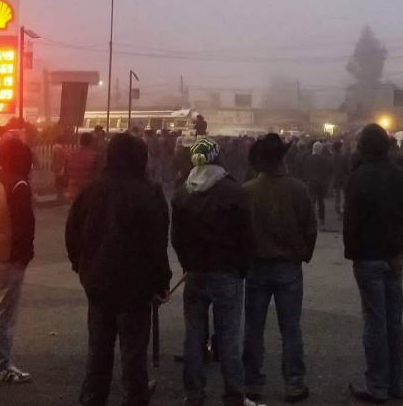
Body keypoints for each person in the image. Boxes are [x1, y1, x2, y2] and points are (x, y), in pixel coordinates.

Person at [66, 132, 171, 406]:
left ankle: (92, 399)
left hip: (98, 284)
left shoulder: (91, 191)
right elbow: (156, 245)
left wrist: (82, 267)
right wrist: (161, 282)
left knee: (98, 353)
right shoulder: (148, 193)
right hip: (135, 289)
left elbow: (72, 234)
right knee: (134, 355)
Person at [170, 136, 259, 406]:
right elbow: (247, 236)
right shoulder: (233, 191)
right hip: (227, 273)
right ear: (218, 158)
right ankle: (234, 394)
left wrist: (188, 263)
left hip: (196, 273)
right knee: (229, 336)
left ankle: (194, 393)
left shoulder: (183, 191)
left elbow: (177, 237)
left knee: (194, 336)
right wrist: (242, 267)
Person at [343, 124, 403, 404]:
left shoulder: (357, 178)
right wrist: (400, 246)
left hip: (368, 258)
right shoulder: (399, 177)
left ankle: (377, 386)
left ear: (363, 147)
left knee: (374, 322)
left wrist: (353, 252)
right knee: (394, 322)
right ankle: (397, 383)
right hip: (394, 258)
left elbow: (350, 223)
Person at [241, 134, 317, 403]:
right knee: (291, 329)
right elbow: (310, 229)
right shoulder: (298, 189)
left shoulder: (248, 191)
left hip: (256, 267)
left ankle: (252, 383)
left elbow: (239, 233)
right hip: (288, 267)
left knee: (253, 328)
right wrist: (302, 255)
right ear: (282, 158)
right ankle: (294, 384)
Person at [0, 136, 36, 384]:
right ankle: (1, 366)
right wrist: (24, 256)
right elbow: (24, 225)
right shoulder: (19, 184)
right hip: (9, 257)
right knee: (3, 314)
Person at [303, 140, 333, 229]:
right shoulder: (324, 159)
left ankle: (311, 219)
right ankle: (321, 219)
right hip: (320, 183)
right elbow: (327, 172)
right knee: (321, 202)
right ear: (320, 149)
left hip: (311, 182)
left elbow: (305, 170)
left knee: (312, 201)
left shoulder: (308, 158)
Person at [332, 141, 352, 216]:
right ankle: (343, 209)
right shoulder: (343, 157)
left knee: (337, 195)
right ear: (340, 147)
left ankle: (337, 209)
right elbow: (348, 168)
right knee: (345, 194)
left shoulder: (332, 156)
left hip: (336, 178)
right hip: (343, 178)